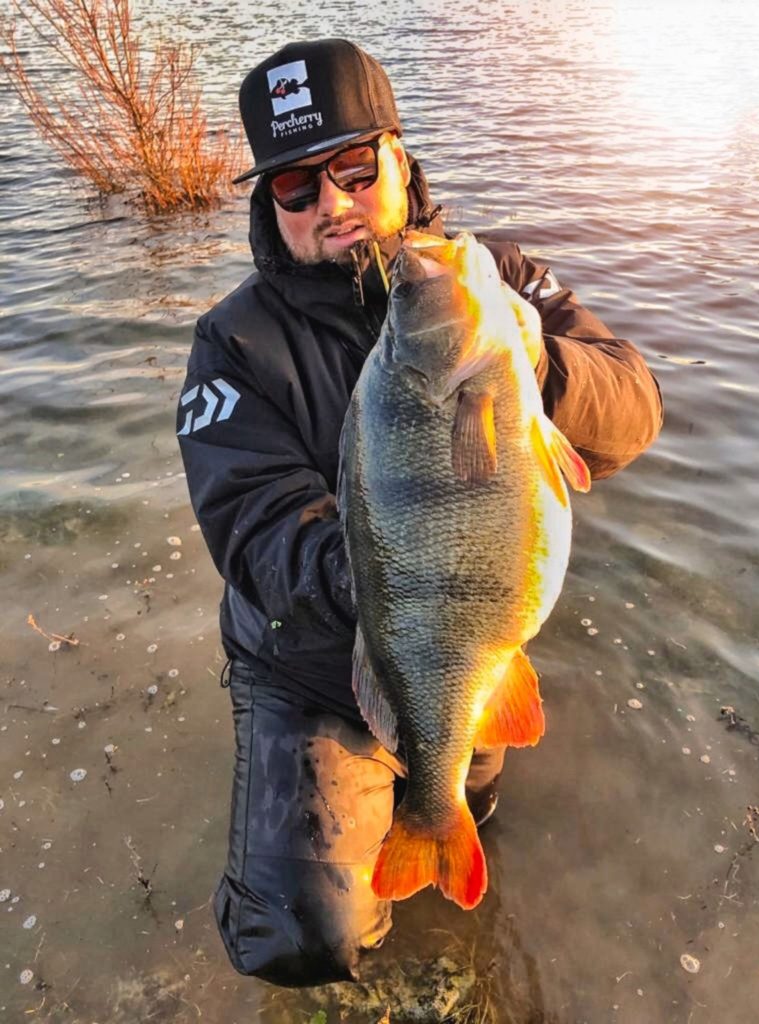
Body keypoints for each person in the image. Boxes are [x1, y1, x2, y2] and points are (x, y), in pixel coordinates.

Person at [176, 38, 663, 987]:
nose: (334, 204)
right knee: (302, 938)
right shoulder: (232, 346)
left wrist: (544, 362)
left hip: (462, 641)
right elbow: (254, 531)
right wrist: (392, 573)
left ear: (399, 156)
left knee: (463, 799)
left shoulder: (495, 279)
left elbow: (635, 409)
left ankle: (440, 815)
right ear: (268, 204)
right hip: (310, 661)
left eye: (354, 168)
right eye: (296, 188)